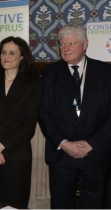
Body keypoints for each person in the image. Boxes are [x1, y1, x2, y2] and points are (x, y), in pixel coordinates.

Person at [39, 23, 111, 208]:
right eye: (62, 44)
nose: (65, 49)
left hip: (96, 154)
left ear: (85, 44)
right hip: (62, 155)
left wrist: (92, 144)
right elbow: (43, 112)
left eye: (71, 43)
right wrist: (64, 143)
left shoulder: (105, 72)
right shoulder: (50, 73)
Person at [0, 36, 41, 208]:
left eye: (12, 53)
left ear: (22, 57)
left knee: (15, 204)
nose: (6, 56)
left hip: (17, 155)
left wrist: (2, 146)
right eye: (3, 52)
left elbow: (29, 123)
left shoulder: (33, 83)